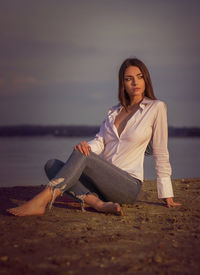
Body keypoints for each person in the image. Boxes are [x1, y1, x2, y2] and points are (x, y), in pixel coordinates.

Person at [7, 57, 181, 216]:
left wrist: (167, 194)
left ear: (146, 79)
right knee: (52, 165)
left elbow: (160, 151)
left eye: (139, 76)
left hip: (127, 186)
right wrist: (86, 147)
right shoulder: (114, 112)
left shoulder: (156, 108)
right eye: (129, 79)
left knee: (82, 157)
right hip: (102, 184)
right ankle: (97, 203)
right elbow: (100, 141)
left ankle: (41, 201)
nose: (135, 82)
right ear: (123, 84)